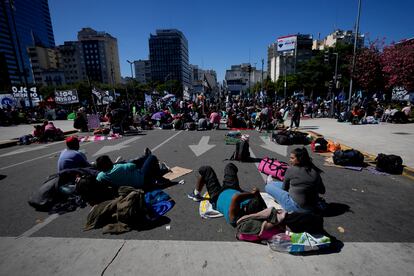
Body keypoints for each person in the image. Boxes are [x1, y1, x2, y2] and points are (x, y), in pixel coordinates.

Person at [187, 163, 266, 226]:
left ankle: (196, 194)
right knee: (230, 166)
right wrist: (256, 195)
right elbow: (259, 200)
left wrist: (252, 194)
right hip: (233, 188)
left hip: (217, 196)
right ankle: (238, 188)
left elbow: (236, 198)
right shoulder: (255, 205)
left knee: (206, 169)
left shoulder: (235, 217)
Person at [265, 147, 325, 213]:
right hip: (312, 207)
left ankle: (281, 200)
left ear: (299, 159)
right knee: (274, 184)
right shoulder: (315, 171)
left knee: (268, 187)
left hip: (296, 207)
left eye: (292, 158)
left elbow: (284, 188)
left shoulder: (291, 170)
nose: (290, 160)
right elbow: (322, 191)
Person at [95, 150, 164, 189]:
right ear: (110, 162)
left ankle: (145, 156)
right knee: (152, 157)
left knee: (134, 161)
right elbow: (133, 166)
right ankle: (159, 178)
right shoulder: (119, 167)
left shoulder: (101, 176)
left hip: (126, 188)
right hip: (141, 181)